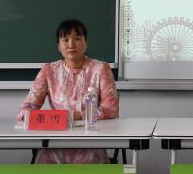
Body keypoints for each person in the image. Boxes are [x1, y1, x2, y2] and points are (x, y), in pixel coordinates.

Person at [17, 19, 119, 164]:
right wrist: (52, 118)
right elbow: (25, 110)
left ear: (86, 42)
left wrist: (79, 116)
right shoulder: (49, 70)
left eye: (77, 38)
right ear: (59, 46)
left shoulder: (100, 68)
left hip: (90, 142)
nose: (71, 44)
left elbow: (112, 109)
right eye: (65, 39)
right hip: (54, 143)